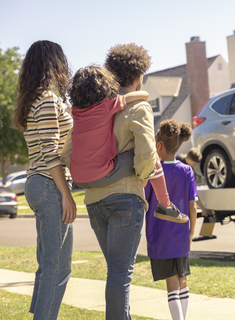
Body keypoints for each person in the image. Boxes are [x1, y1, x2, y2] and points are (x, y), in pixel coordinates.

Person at [61, 43, 156, 320]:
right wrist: (140, 176)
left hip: (94, 201)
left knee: (115, 270)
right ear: (139, 77)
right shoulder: (137, 106)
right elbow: (148, 156)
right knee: (119, 272)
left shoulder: (96, 106)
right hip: (125, 198)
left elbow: (66, 152)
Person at [68, 65, 187, 223]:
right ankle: (165, 204)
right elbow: (143, 95)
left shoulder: (75, 112)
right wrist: (143, 178)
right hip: (103, 176)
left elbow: (66, 152)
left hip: (79, 178)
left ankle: (165, 204)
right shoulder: (108, 104)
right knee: (149, 152)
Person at [12, 40, 76, 320]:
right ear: (54, 64)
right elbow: (51, 150)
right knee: (58, 266)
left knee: (48, 263)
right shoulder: (48, 99)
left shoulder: (32, 100)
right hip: (50, 185)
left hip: (36, 185)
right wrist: (67, 194)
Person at [144, 120, 198, 320]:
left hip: (161, 236)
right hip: (182, 235)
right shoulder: (187, 171)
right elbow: (192, 206)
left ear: (158, 146)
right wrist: (191, 233)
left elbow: (146, 202)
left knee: (171, 285)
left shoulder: (153, 172)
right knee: (182, 280)